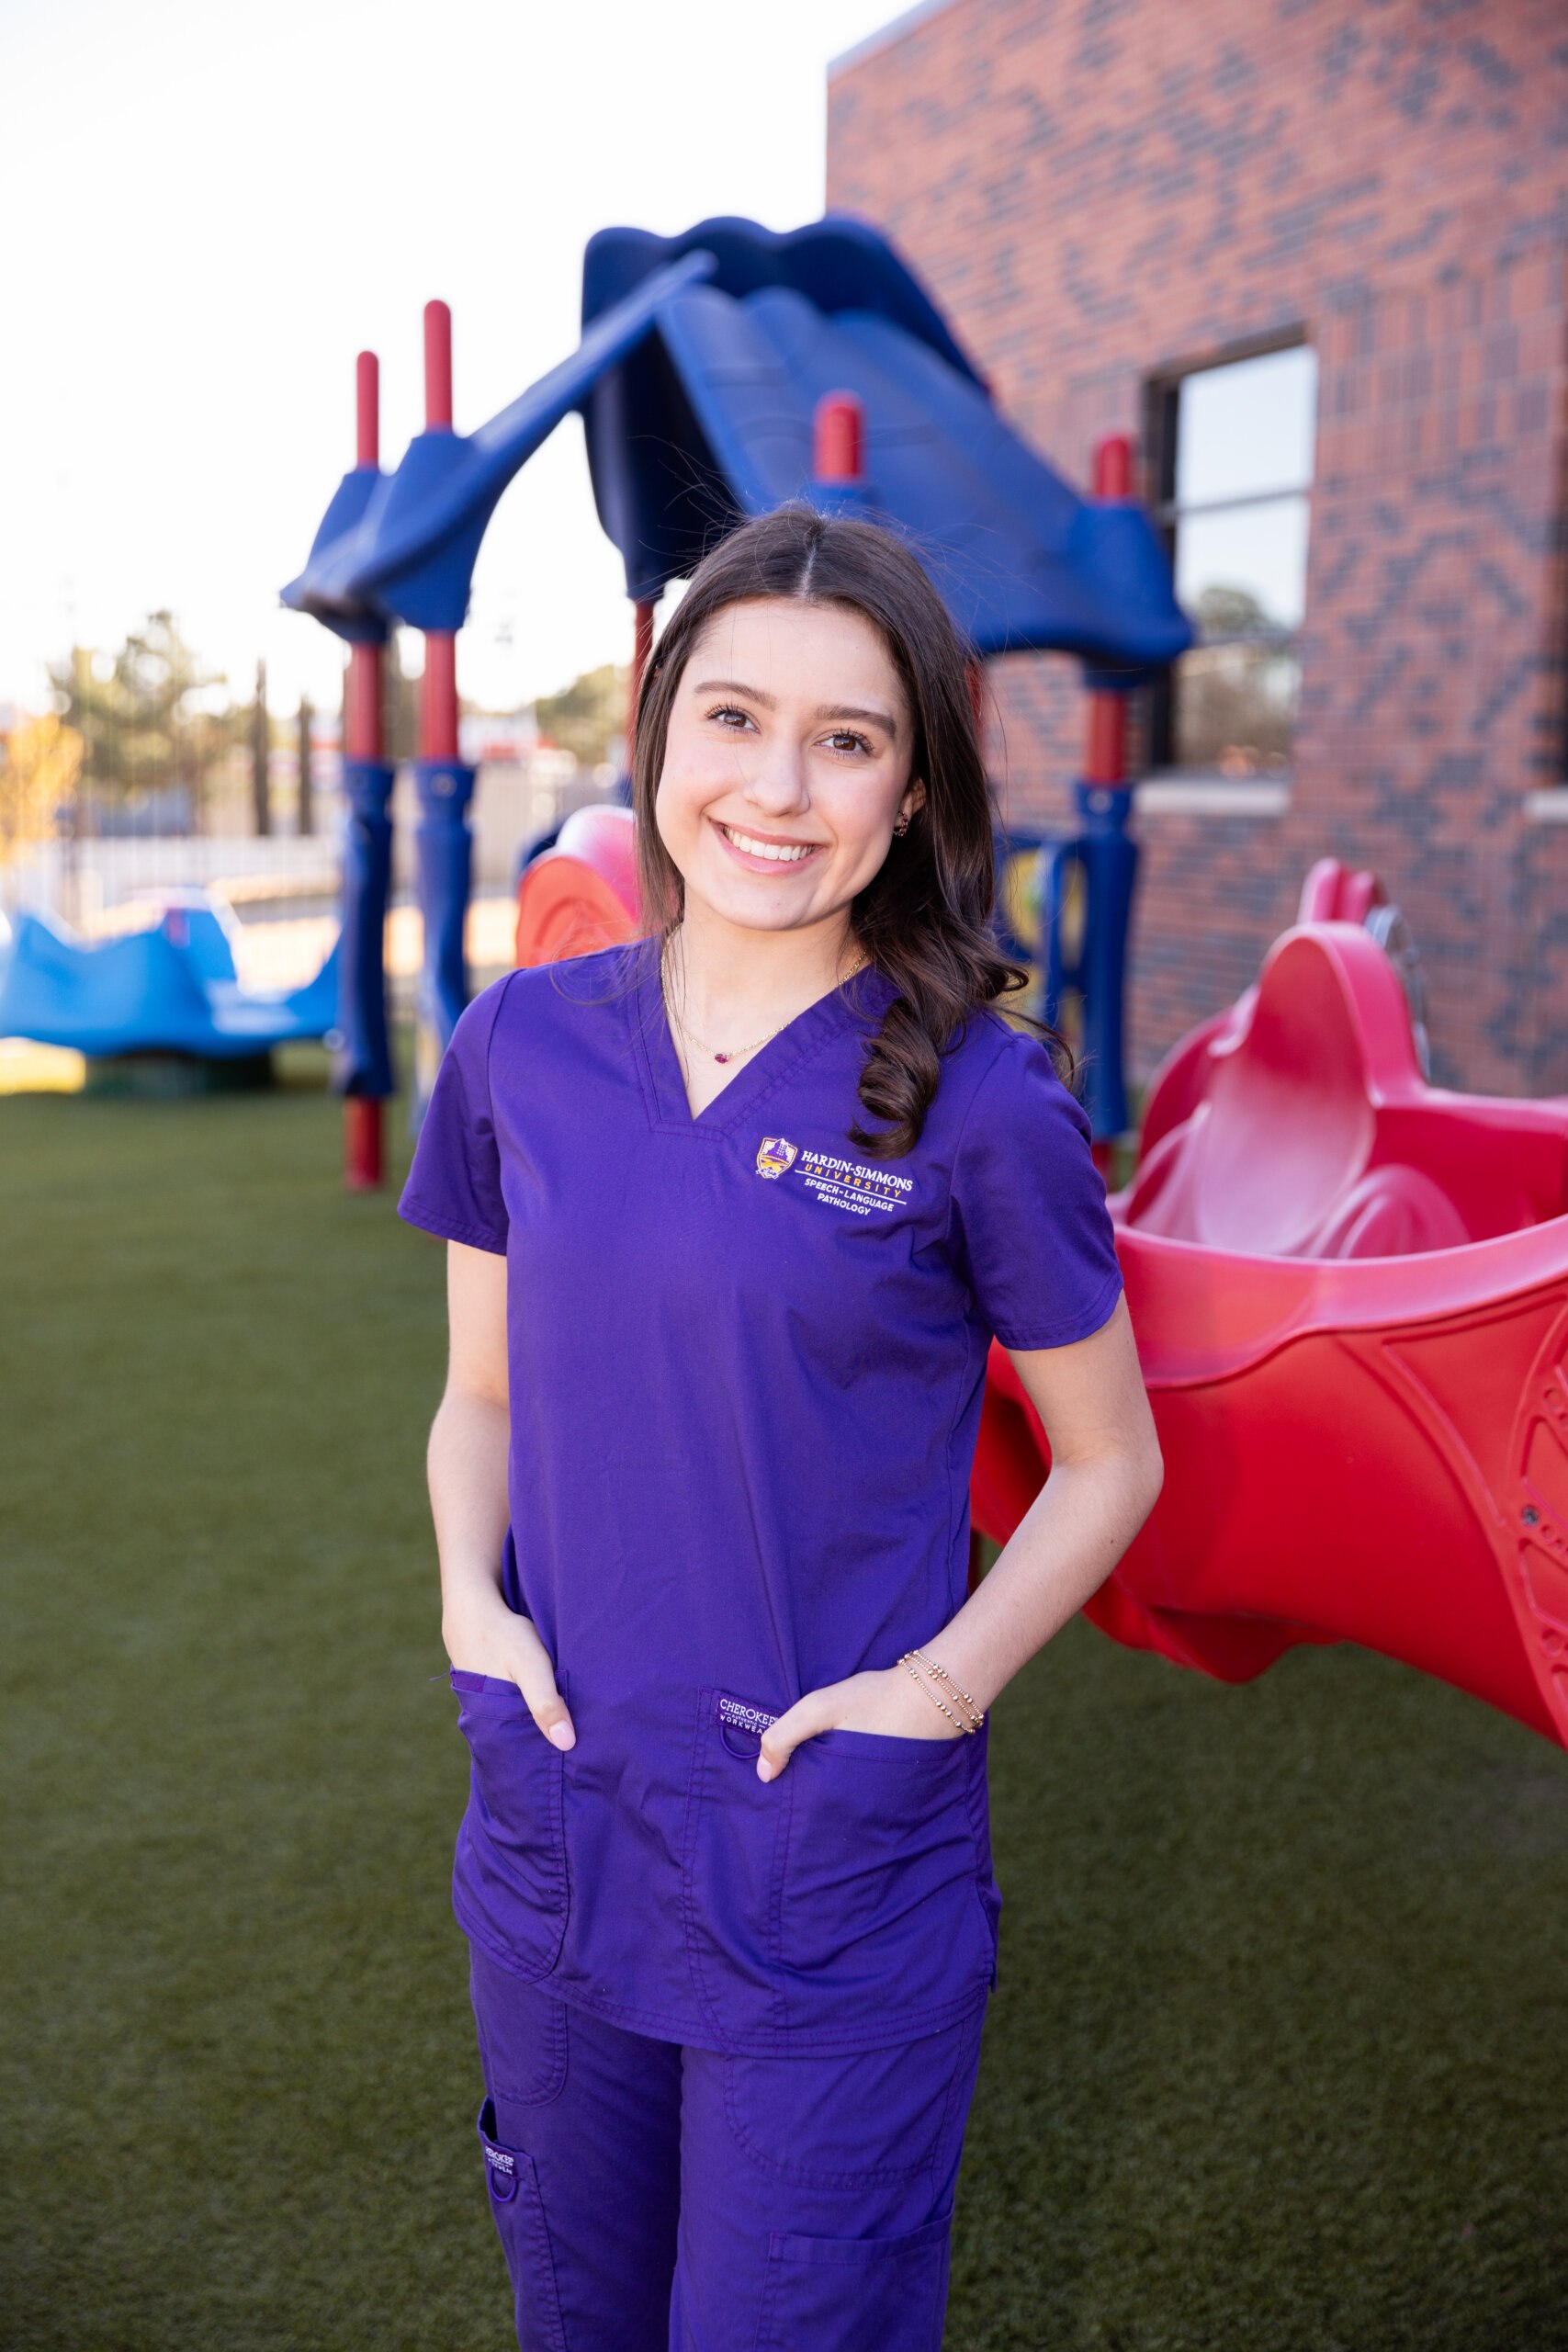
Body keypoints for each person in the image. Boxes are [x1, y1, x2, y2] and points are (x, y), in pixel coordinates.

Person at [399, 503, 1163, 2352]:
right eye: (730, 717)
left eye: (847, 737)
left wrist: (942, 1687)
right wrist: (466, 1607)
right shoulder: (520, 1045)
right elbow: (478, 1394)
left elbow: (1110, 1456)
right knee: (577, 2311)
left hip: (827, 1863)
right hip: (561, 1822)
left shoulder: (983, 1104)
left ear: (910, 793)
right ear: (656, 733)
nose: (778, 784)